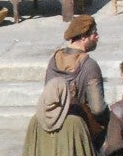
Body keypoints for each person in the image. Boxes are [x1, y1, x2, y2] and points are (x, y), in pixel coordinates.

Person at [45, 14, 108, 144]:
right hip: (79, 131)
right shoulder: (89, 65)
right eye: (94, 33)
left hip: (54, 128)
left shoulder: (53, 60)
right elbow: (98, 108)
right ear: (84, 37)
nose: (97, 37)